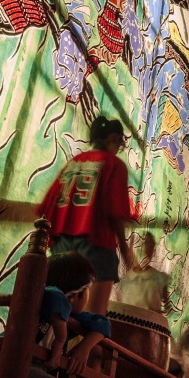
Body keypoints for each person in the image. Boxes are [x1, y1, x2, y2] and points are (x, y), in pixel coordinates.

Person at [38, 115, 135, 314]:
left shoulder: (73, 163)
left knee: (59, 312)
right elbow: (116, 213)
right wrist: (125, 251)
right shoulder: (113, 164)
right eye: (119, 143)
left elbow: (47, 208)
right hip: (95, 243)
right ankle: (86, 345)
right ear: (114, 139)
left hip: (62, 246)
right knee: (92, 318)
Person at [116, 231, 171, 313]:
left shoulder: (160, 279)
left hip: (150, 324)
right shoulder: (124, 283)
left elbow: (167, 306)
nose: (147, 249)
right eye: (145, 244)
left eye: (151, 245)